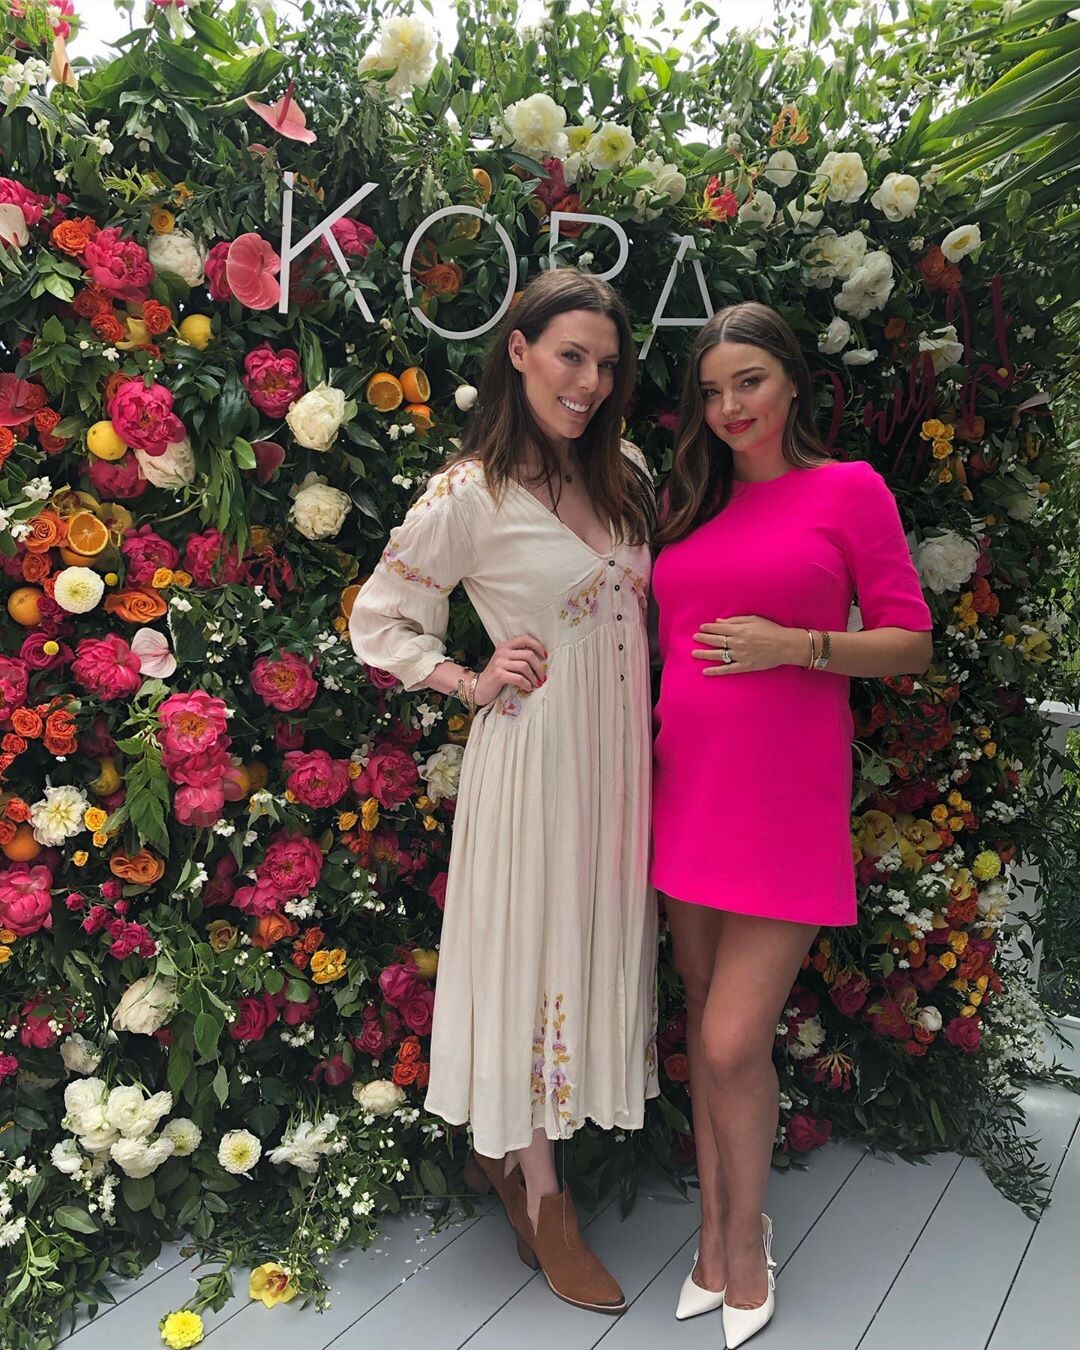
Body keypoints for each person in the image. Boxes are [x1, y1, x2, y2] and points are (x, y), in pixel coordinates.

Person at [348, 268, 658, 1314]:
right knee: (532, 953)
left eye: (606, 363)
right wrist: (467, 679)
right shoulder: (467, 494)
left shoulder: (625, 471)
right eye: (571, 355)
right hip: (535, 760)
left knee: (585, 941)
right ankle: (543, 1198)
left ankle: (526, 1158)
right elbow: (379, 618)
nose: (589, 380)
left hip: (619, 765)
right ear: (518, 351)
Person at [650, 302, 933, 1346]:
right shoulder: (687, 504)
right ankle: (711, 1237)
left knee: (733, 1040)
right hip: (684, 791)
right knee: (700, 1020)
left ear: (792, 383)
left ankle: (748, 1235)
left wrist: (800, 645)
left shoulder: (847, 490)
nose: (730, 407)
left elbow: (910, 641)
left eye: (749, 382)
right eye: (712, 391)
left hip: (781, 804)